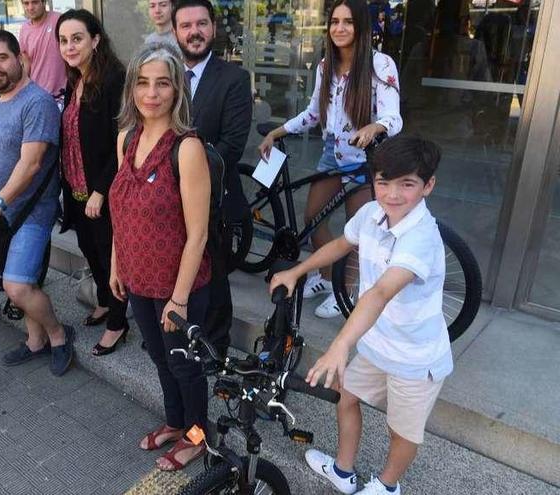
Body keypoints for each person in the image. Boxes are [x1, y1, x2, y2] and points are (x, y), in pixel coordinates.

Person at [270, 135, 451, 495]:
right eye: (383, 182)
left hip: (416, 359)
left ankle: (386, 486)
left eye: (407, 184)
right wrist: (297, 271)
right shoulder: (371, 213)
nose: (393, 195)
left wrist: (340, 344)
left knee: (402, 430)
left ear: (428, 186)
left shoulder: (421, 238)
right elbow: (342, 244)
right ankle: (343, 470)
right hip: (375, 342)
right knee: (346, 397)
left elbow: (381, 292)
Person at [258, 0, 402, 318]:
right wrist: (277, 132)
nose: (339, 28)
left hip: (365, 159)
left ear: (361, 27)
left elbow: (394, 117)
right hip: (331, 155)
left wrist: (375, 126)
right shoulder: (326, 66)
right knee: (313, 220)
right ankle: (325, 277)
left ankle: (344, 290)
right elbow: (313, 114)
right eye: (334, 21)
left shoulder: (381, 65)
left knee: (357, 232)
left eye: (348, 22)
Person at [110, 42, 211, 472]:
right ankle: (175, 422)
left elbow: (199, 233)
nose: (151, 93)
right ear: (132, 88)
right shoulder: (125, 139)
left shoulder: (186, 148)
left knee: (185, 366)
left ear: (177, 91)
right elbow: (122, 209)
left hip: (177, 285)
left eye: (163, 84)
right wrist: (117, 264)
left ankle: (198, 437)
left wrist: (180, 299)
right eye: (143, 83)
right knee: (159, 357)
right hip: (136, 277)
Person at [0, 30, 74, 377]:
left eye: (2, 57)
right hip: (0, 211)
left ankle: (59, 336)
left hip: (31, 212)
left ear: (20, 58)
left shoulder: (37, 102)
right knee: (21, 282)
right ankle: (35, 342)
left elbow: (30, 164)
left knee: (16, 285)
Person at [172, 0, 252, 356]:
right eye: (186, 25)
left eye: (201, 23)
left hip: (214, 199)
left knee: (214, 278)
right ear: (175, 32)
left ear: (213, 28)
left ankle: (215, 347)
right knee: (174, 267)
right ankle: (175, 333)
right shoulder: (165, 76)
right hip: (166, 199)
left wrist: (183, 173)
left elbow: (231, 146)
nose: (194, 32)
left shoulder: (234, 79)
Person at [55, 9, 130, 356]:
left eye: (77, 38)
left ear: (96, 39)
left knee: (108, 254)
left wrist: (101, 189)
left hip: (102, 190)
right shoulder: (75, 80)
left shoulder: (115, 79)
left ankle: (118, 322)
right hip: (76, 187)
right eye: (64, 40)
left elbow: (123, 140)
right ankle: (103, 301)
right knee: (90, 251)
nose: (69, 47)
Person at [19, 0, 67, 101]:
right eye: (26, 3)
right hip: (37, 95)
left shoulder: (59, 20)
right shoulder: (24, 29)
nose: (30, 7)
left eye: (35, 2)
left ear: (43, 2)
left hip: (63, 93)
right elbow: (26, 62)